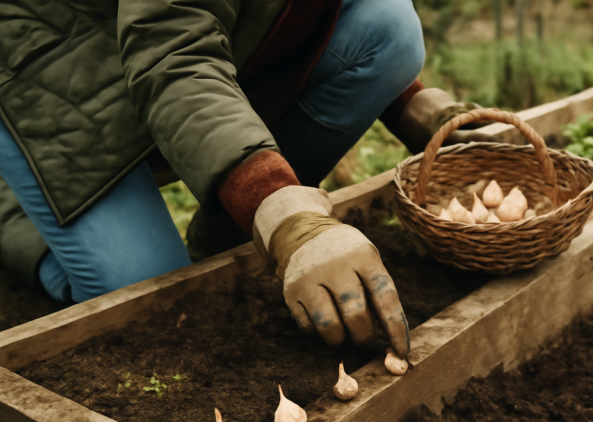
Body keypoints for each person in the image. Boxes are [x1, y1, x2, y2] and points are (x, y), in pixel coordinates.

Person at [0, 0, 496, 357]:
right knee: (145, 302)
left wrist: (414, 104)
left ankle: (229, 235)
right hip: (47, 60)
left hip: (148, 29)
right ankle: (14, 207)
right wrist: (284, 212)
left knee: (389, 25)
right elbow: (174, 55)